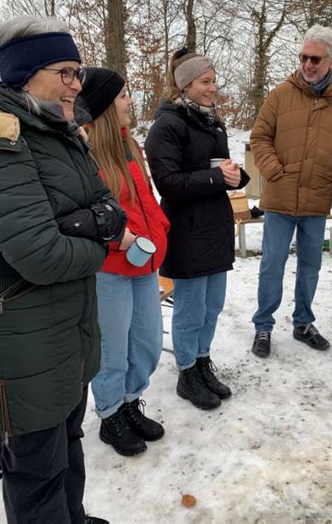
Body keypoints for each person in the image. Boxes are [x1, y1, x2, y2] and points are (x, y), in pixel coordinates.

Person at [0, 15, 126, 524]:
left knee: (68, 447)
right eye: (64, 72)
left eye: (78, 72)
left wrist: (86, 224)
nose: (76, 84)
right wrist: (98, 246)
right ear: (25, 75)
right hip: (22, 340)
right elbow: (39, 253)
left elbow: (111, 209)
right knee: (35, 473)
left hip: (66, 331)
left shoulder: (57, 130)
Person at [145, 48, 249, 410]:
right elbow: (169, 183)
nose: (213, 88)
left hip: (215, 227)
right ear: (186, 85)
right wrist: (215, 177)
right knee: (189, 309)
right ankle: (187, 372)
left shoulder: (211, 121)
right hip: (187, 231)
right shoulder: (167, 126)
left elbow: (220, 168)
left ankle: (203, 362)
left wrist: (236, 176)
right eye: (206, 82)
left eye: (214, 81)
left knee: (212, 306)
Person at [250, 24, 332, 358]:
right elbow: (259, 137)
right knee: (272, 265)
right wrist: (274, 171)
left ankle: (303, 323)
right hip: (280, 199)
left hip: (316, 200)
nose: (308, 64)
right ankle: (263, 327)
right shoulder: (280, 95)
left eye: (315, 59)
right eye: (304, 57)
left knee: (310, 266)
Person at [79, 67, 169, 457]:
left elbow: (144, 199)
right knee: (112, 350)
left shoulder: (131, 145)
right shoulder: (85, 154)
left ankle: (131, 401)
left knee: (147, 342)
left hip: (145, 265)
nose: (130, 101)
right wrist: (122, 241)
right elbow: (89, 216)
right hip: (111, 269)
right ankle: (111, 412)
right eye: (122, 96)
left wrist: (161, 229)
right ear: (103, 106)